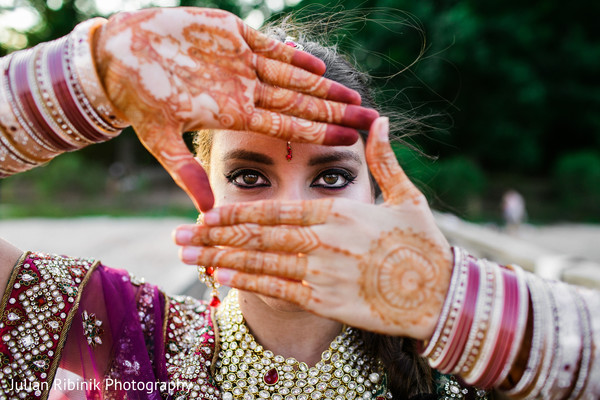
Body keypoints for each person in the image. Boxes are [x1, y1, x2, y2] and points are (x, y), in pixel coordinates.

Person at [0, 7, 597, 400]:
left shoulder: (474, 363)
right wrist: (85, 79)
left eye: (332, 179)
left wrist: (450, 302)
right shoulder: (130, 337)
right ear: (199, 191)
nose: (293, 211)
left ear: (379, 193)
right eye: (250, 178)